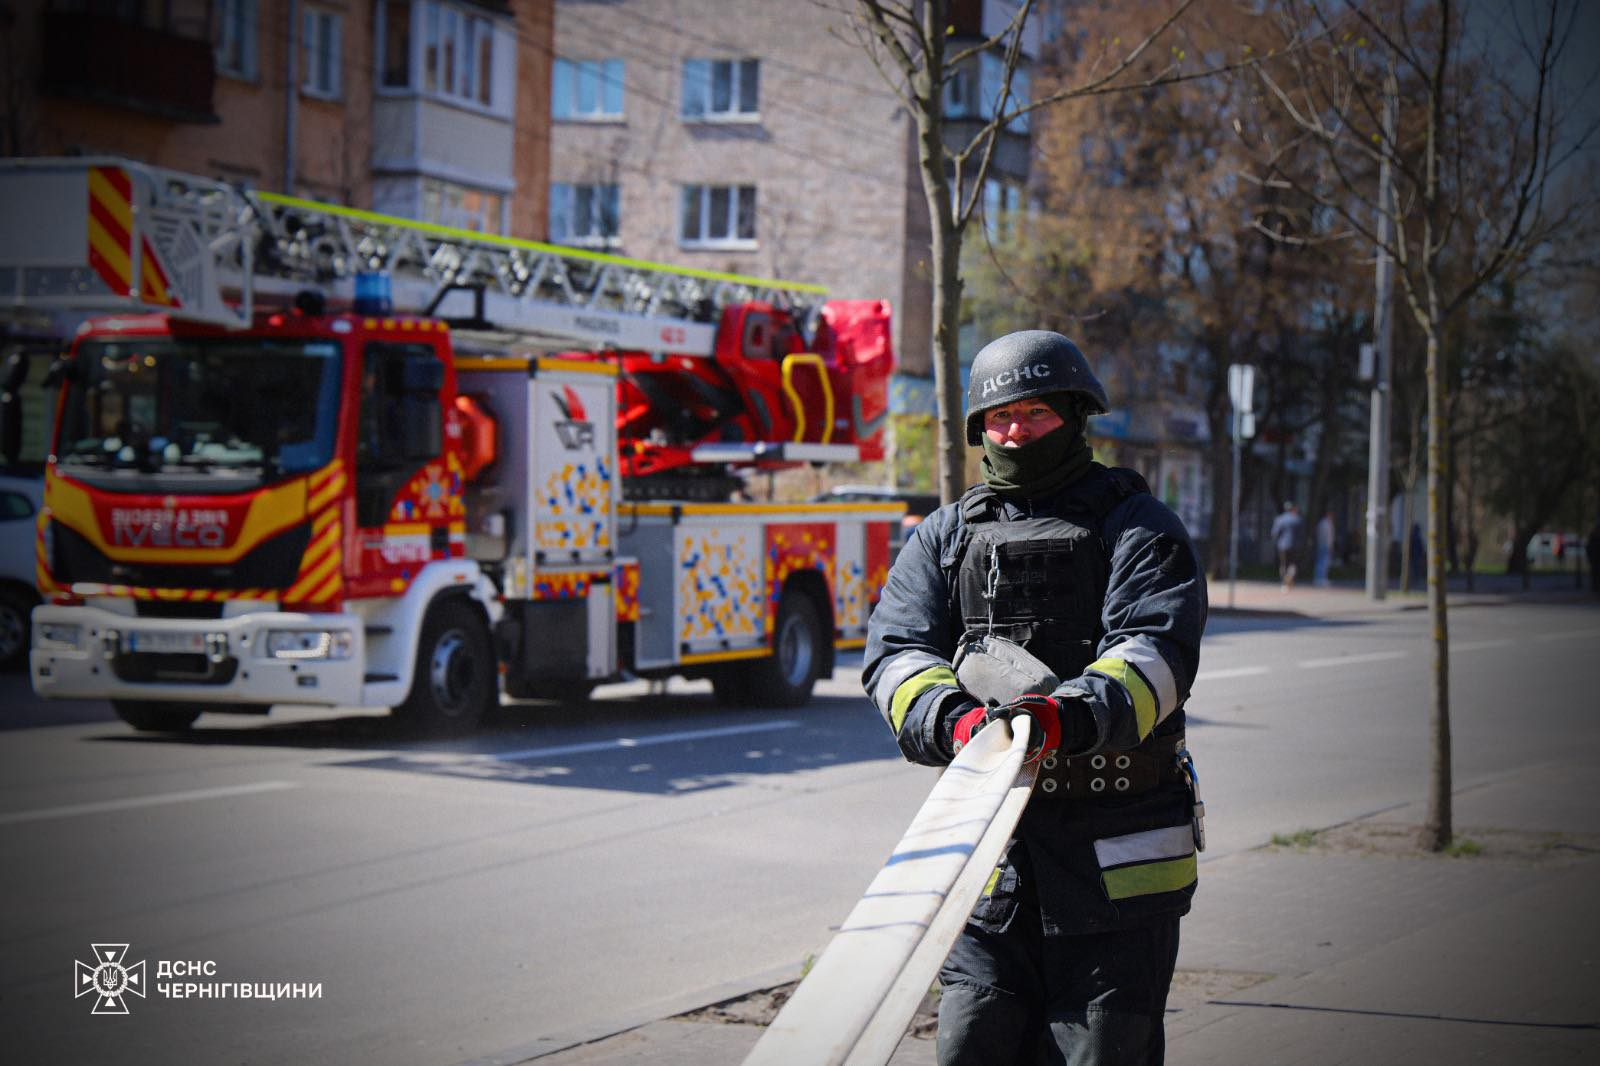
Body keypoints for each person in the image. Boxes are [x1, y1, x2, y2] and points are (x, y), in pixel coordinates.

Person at [864, 331, 1207, 1065]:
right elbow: (895, 656)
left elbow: (1156, 651)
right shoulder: (945, 537)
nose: (1015, 431)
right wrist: (950, 721)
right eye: (1000, 418)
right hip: (991, 865)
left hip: (1118, 864)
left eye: (1036, 414)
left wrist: (1066, 716)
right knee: (967, 1049)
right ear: (978, 430)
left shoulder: (1139, 528)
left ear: (1076, 415)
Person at [1270, 501, 1302, 591]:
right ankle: (1289, 579)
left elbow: (1274, 533)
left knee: (1283, 564)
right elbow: (1301, 534)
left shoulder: (1279, 519)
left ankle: (1284, 583)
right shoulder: (1298, 519)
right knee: (1293, 565)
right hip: (1295, 546)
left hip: (1282, 545)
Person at [1314, 509, 1335, 587]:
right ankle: (1321, 578)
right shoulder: (1326, 523)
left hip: (1322, 545)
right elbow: (1328, 536)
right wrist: (1330, 546)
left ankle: (1319, 578)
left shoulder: (1322, 523)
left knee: (1321, 562)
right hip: (1325, 545)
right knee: (1323, 562)